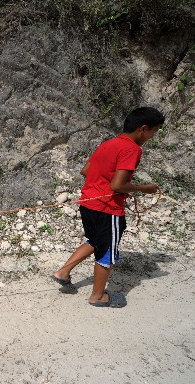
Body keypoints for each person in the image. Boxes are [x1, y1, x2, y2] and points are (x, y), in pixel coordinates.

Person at [52, 107, 165, 307]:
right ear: (143, 129)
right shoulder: (132, 149)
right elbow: (117, 185)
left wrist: (103, 186)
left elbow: (85, 171)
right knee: (107, 252)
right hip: (107, 209)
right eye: (153, 132)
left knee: (94, 241)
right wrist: (144, 188)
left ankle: (63, 272)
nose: (152, 136)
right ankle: (97, 296)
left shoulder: (108, 144)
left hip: (88, 203)